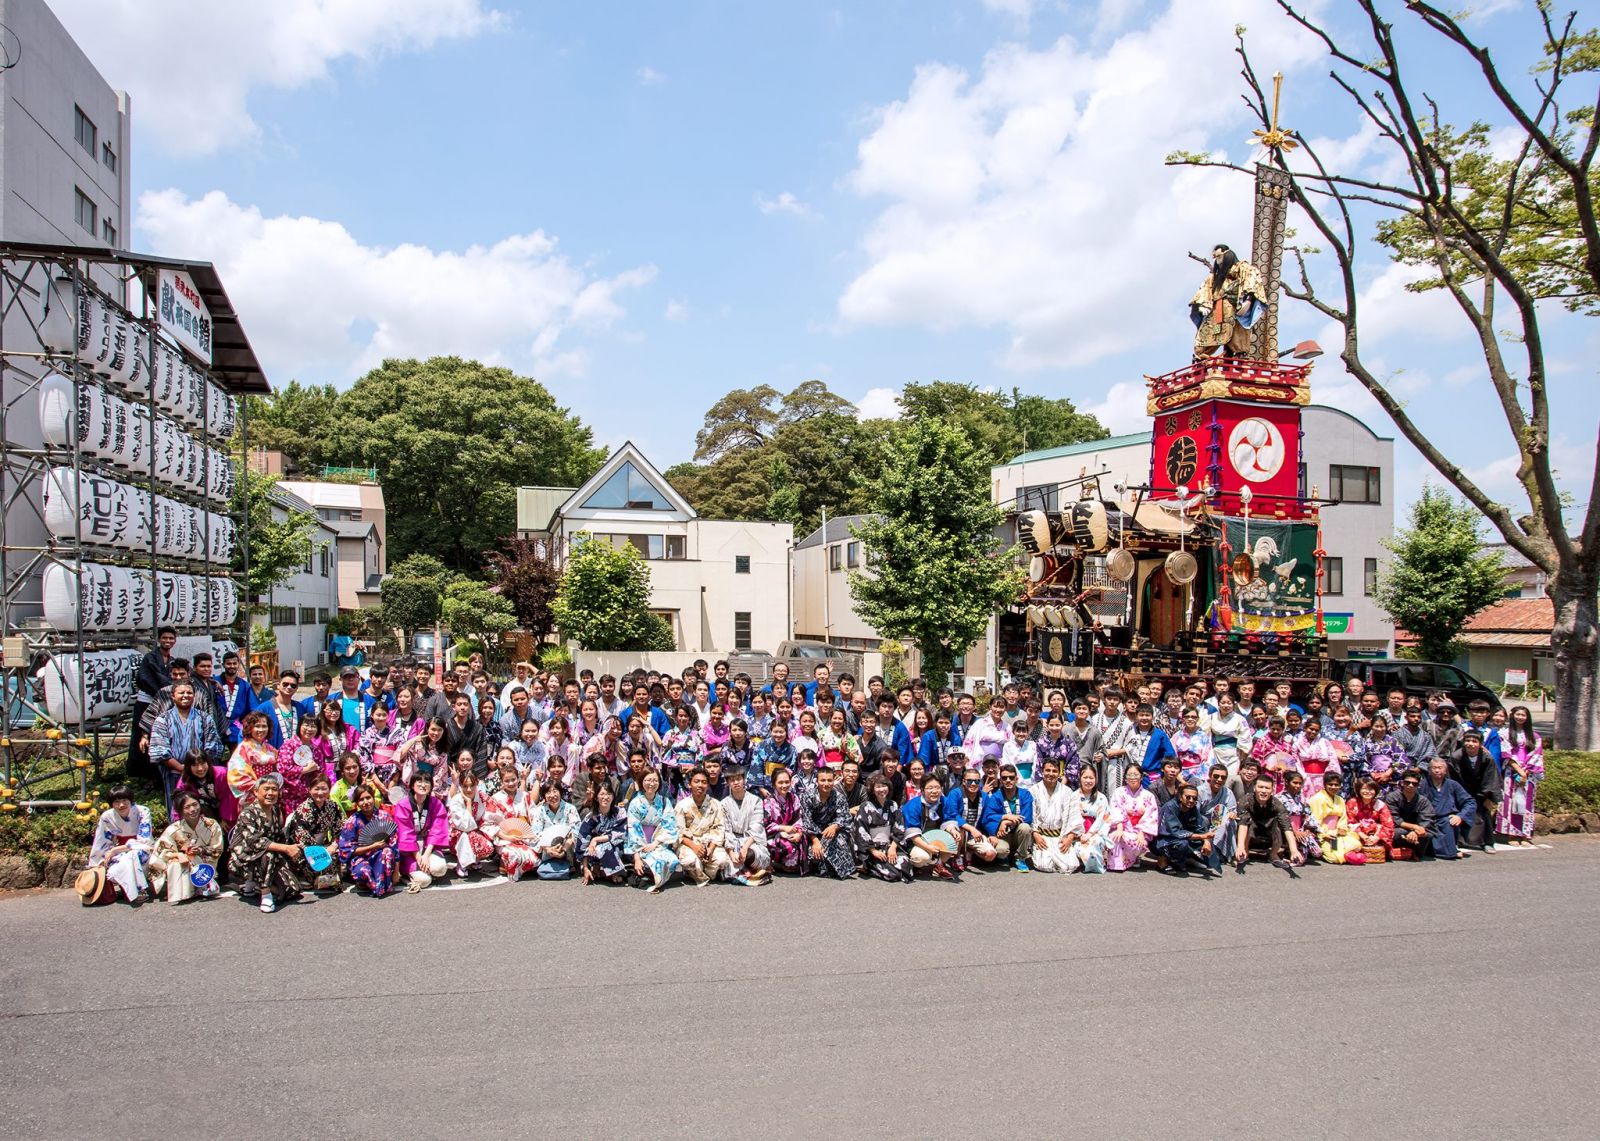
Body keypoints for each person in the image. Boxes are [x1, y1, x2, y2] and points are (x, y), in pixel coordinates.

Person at [229, 774, 306, 912]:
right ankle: (265, 894)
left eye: (274, 789)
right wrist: (286, 848)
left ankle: (254, 885)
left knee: (293, 889)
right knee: (267, 854)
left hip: (270, 859)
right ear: (256, 792)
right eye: (266, 789)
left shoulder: (276, 810)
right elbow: (255, 842)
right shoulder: (248, 813)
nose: (270, 793)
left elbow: (279, 837)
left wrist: (293, 849)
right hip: (244, 859)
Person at [147, 680, 225, 813]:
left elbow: (212, 746)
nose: (185, 695)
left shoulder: (204, 718)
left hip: (201, 772)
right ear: (173, 696)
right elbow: (160, 751)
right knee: (177, 809)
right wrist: (182, 768)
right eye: (181, 692)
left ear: (194, 696)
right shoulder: (162, 720)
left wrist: (197, 768)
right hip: (174, 773)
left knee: (203, 811)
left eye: (189, 692)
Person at [147, 793, 224, 904]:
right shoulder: (173, 829)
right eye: (187, 807)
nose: (193, 809)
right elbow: (161, 851)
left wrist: (201, 850)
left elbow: (218, 849)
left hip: (205, 864)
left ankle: (203, 885)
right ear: (180, 811)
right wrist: (179, 855)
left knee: (195, 860)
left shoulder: (211, 824)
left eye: (195, 804)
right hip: (183, 864)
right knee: (174, 863)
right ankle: (182, 893)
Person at [87, 787, 155, 903]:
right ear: (111, 804)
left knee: (132, 856)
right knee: (119, 863)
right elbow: (101, 842)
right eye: (116, 802)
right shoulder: (107, 817)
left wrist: (117, 850)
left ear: (131, 801)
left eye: (125, 801)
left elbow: (145, 840)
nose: (121, 805)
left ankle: (138, 890)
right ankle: (134, 889)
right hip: (120, 852)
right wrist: (96, 864)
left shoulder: (142, 811)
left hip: (142, 848)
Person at [625, 769, 682, 893]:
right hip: (640, 845)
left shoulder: (664, 801)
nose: (651, 783)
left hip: (657, 842)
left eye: (655, 780)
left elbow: (669, 825)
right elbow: (633, 830)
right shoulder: (635, 803)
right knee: (657, 862)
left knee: (672, 860)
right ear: (641, 782)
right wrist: (637, 857)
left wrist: (656, 843)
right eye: (648, 780)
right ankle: (646, 873)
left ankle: (651, 875)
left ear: (659, 783)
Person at [337, 784, 399, 897]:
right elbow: (346, 850)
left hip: (380, 856)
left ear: (374, 798)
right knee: (362, 871)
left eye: (368, 798)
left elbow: (394, 844)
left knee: (388, 852)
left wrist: (397, 872)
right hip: (360, 857)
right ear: (356, 803)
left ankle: (381, 882)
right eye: (361, 799)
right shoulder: (352, 821)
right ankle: (372, 884)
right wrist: (373, 846)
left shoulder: (384, 816)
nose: (366, 802)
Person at [287, 769, 345, 890]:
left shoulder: (333, 806)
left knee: (337, 855)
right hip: (305, 849)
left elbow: (341, 830)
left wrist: (333, 846)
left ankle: (325, 880)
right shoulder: (303, 810)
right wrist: (323, 851)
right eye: (316, 789)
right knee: (313, 862)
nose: (320, 792)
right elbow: (303, 839)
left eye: (324, 789)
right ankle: (315, 879)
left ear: (329, 790)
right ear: (309, 790)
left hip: (325, 846)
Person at [673, 766, 731, 886]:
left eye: (704, 782)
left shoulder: (716, 804)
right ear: (689, 784)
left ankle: (703, 870)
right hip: (690, 843)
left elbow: (719, 828)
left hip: (709, 842)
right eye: (696, 781)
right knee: (690, 860)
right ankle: (692, 870)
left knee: (722, 860)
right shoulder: (682, 806)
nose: (700, 785)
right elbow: (678, 832)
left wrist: (710, 848)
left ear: (708, 785)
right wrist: (694, 847)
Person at [393, 770, 449, 891]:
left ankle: (426, 870)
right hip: (410, 851)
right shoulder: (403, 805)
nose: (423, 785)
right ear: (412, 785)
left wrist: (427, 855)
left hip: (429, 845)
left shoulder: (436, 804)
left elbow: (438, 829)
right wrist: (419, 857)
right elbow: (405, 834)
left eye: (427, 782)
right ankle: (407, 875)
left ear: (431, 787)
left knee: (439, 869)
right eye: (419, 781)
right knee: (424, 881)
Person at [1496, 705, 1544, 847]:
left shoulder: (1534, 736)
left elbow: (1537, 755)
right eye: (1518, 714)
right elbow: (1505, 754)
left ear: (1527, 717)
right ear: (1512, 716)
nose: (1520, 717)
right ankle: (1511, 833)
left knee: (1527, 803)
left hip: (1529, 774)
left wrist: (1526, 772)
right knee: (1510, 803)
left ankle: (1524, 834)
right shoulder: (1504, 734)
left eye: (1523, 715)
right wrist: (1519, 771)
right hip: (1511, 772)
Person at [853, 774, 912, 883]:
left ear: (888, 788)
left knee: (905, 865)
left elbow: (899, 827)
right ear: (872, 789)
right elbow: (861, 831)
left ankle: (886, 867)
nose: (881, 790)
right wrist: (873, 851)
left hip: (889, 846)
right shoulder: (865, 806)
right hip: (873, 848)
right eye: (878, 787)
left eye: (884, 786)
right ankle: (870, 867)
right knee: (893, 875)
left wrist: (893, 847)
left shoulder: (892, 805)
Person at [900, 773, 959, 879]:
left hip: (936, 840)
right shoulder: (913, 805)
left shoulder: (945, 801)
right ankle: (914, 863)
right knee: (921, 857)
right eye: (930, 788)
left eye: (937, 788)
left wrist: (953, 830)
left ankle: (939, 865)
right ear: (922, 790)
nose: (934, 791)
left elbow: (949, 819)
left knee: (953, 838)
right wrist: (928, 848)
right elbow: (913, 835)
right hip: (916, 841)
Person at [800, 766, 856, 879]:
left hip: (833, 833)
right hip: (813, 835)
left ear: (834, 780)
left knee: (839, 841)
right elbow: (806, 820)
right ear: (817, 781)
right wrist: (815, 841)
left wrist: (835, 826)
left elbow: (845, 817)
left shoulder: (839, 797)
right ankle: (826, 868)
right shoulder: (807, 796)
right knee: (814, 853)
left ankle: (829, 868)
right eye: (823, 780)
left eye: (830, 780)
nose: (826, 783)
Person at [1235, 774, 1299, 870]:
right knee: (1245, 821)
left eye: (1267, 788)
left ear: (1272, 790)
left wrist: (1294, 850)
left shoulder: (1277, 803)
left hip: (1269, 833)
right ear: (1254, 788)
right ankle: (1244, 852)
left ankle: (1273, 855)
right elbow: (1243, 824)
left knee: (1279, 822)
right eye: (1261, 787)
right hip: (1250, 832)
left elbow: (1287, 826)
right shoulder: (1245, 800)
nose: (1264, 791)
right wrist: (1240, 847)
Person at [720, 768, 771, 885]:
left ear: (744, 780)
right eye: (732, 780)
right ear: (728, 783)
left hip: (751, 841)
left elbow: (757, 826)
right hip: (732, 841)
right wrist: (731, 852)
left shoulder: (756, 800)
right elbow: (726, 830)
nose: (736, 783)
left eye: (738, 779)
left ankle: (748, 871)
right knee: (729, 862)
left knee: (751, 855)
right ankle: (753, 873)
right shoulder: (723, 804)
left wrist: (745, 847)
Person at [1420, 756, 1476, 860]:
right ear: (1429, 770)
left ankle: (1450, 850)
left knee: (1449, 822)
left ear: (1445, 771)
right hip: (1427, 821)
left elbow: (1470, 802)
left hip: (1446, 820)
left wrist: (1460, 816)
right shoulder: (1422, 785)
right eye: (1434, 767)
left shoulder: (1453, 785)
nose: (1437, 770)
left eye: (1440, 768)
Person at [1106, 763, 1159, 872]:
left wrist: (1141, 832)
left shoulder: (1148, 796)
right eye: (1129, 775)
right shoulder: (1119, 792)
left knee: (1138, 842)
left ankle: (1134, 858)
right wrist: (1120, 828)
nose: (1132, 778)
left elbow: (1151, 816)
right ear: (1125, 778)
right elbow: (1116, 810)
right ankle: (1118, 863)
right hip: (1122, 827)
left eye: (1136, 775)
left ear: (1141, 777)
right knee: (1115, 837)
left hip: (1140, 831)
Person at [1155, 784, 1217, 876]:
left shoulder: (1193, 808)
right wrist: (1202, 836)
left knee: (1206, 846)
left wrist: (1206, 842)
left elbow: (1201, 828)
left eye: (1194, 798)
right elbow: (1175, 832)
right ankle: (1163, 861)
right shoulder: (1170, 807)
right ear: (1180, 797)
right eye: (1188, 797)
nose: (1191, 801)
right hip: (1162, 840)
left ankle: (1186, 858)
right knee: (1182, 843)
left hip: (1183, 837)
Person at [985, 763, 1035, 870]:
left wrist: (1006, 822)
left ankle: (1020, 857)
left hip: (1018, 833)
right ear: (1001, 780)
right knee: (1001, 851)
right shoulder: (996, 797)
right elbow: (989, 816)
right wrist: (1004, 818)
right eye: (1004, 778)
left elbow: (1027, 817)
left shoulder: (1025, 794)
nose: (1008, 780)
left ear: (1016, 779)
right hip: (1003, 835)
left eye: (1011, 778)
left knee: (1025, 827)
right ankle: (1005, 857)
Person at [446, 771, 496, 878]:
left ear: (477, 783)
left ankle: (475, 859)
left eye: (472, 786)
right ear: (460, 785)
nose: (469, 790)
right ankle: (462, 863)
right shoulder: (456, 800)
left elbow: (491, 815)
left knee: (486, 836)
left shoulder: (483, 797)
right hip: (458, 833)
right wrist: (468, 803)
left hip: (477, 828)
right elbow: (465, 826)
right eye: (465, 786)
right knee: (465, 835)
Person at [578, 783, 629, 885]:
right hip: (594, 852)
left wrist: (596, 839)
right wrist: (585, 868)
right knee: (594, 850)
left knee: (605, 847)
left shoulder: (620, 812)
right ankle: (599, 869)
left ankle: (613, 872)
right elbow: (582, 841)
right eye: (602, 794)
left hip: (617, 847)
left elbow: (620, 833)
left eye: (609, 794)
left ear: (613, 796)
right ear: (596, 798)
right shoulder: (591, 817)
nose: (605, 797)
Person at [529, 779, 581, 879]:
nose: (552, 795)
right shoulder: (540, 810)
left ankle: (569, 864)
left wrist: (564, 849)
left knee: (572, 837)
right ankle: (546, 864)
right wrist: (547, 848)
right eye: (548, 792)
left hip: (566, 845)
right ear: (544, 796)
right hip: (546, 847)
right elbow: (535, 833)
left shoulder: (570, 808)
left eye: (555, 791)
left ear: (560, 792)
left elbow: (576, 830)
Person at [1307, 776, 1362, 864]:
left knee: (1356, 845)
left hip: (1337, 832)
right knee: (1335, 858)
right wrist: (1324, 834)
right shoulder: (1317, 798)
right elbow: (1314, 821)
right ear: (1325, 785)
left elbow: (1343, 818)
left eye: (1336, 785)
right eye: (1330, 784)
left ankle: (1349, 855)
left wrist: (1342, 829)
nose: (1333, 787)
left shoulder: (1340, 799)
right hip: (1322, 834)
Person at [274, 716, 323, 816]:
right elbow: (283, 770)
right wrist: (304, 770)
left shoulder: (316, 749)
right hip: (290, 797)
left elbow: (320, 771)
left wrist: (316, 771)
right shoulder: (289, 745)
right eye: (306, 725)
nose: (309, 729)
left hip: (310, 796)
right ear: (299, 726)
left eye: (313, 726)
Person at [763, 767, 808, 875]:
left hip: (792, 832)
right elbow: (765, 825)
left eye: (787, 782)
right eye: (780, 782)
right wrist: (782, 828)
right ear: (774, 784)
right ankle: (779, 864)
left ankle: (784, 864)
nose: (784, 785)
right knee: (789, 847)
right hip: (773, 835)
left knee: (802, 841)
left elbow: (799, 818)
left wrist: (799, 832)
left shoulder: (794, 798)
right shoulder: (768, 802)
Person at [1384, 770, 1436, 861]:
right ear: (1402, 783)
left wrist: (1416, 831)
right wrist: (1414, 827)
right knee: (1398, 833)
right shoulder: (1392, 797)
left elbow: (1427, 819)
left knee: (1428, 834)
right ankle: (1396, 852)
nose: (1410, 785)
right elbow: (1393, 818)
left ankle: (1415, 853)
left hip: (1417, 831)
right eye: (1407, 782)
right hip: (1399, 828)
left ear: (1418, 785)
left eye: (1414, 784)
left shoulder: (1423, 801)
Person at [1068, 766, 1111, 873]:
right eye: (1085, 777)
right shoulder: (1073, 796)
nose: (1088, 781)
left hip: (1095, 833)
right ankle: (1082, 861)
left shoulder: (1101, 798)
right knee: (1072, 847)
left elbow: (1103, 820)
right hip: (1077, 833)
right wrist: (1079, 833)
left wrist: (1090, 834)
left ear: (1096, 779)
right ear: (1080, 778)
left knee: (1095, 843)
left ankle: (1092, 863)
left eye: (1091, 778)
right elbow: (1071, 818)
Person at [1347, 777, 1396, 859]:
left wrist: (1376, 837)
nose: (1367, 792)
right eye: (1364, 789)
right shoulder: (1352, 802)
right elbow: (1349, 822)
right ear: (1358, 790)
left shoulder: (1380, 805)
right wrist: (1362, 835)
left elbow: (1388, 825)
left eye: (1371, 789)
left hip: (1375, 834)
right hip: (1357, 833)